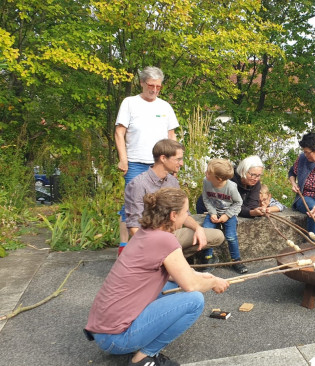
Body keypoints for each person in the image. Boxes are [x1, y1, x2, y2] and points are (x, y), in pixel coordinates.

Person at [85, 187, 230, 366]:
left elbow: (177, 274)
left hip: (101, 331)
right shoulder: (165, 240)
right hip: (116, 339)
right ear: (173, 215)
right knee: (194, 300)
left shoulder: (146, 234)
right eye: (185, 212)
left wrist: (204, 276)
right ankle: (144, 357)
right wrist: (214, 282)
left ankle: (137, 343)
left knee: (172, 288)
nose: (187, 217)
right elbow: (191, 285)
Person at [115, 66, 179, 255]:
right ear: (142, 83)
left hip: (160, 163)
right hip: (135, 162)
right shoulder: (129, 103)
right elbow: (120, 132)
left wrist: (173, 161)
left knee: (162, 202)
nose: (154, 90)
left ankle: (160, 244)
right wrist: (123, 159)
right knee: (133, 204)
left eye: (158, 87)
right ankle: (125, 247)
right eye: (151, 85)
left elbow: (171, 135)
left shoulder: (165, 106)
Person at [125, 139, 224, 259]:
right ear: (163, 158)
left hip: (172, 235)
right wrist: (152, 245)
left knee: (217, 236)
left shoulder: (172, 181)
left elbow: (184, 214)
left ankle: (171, 260)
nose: (181, 163)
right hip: (150, 240)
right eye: (178, 159)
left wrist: (198, 228)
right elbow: (134, 227)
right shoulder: (138, 184)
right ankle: (163, 262)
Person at [200, 158, 247, 274]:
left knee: (231, 237)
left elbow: (238, 203)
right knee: (206, 233)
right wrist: (212, 213)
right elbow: (205, 198)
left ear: (219, 179)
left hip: (228, 213)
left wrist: (227, 215)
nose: (206, 174)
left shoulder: (231, 187)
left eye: (208, 172)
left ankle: (236, 260)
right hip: (213, 213)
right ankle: (208, 258)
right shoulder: (206, 181)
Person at [196, 155, 265, 218]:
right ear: (243, 170)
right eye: (253, 174)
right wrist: (250, 212)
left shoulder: (255, 183)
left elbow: (251, 205)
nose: (256, 178)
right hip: (209, 207)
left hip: (226, 212)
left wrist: (254, 211)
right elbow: (229, 205)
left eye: (259, 175)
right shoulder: (228, 178)